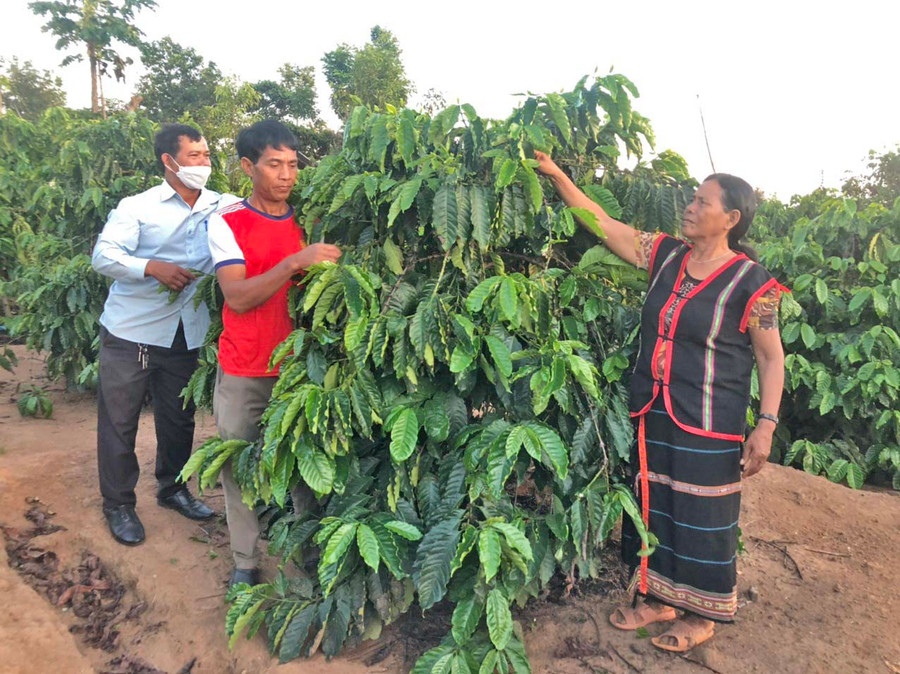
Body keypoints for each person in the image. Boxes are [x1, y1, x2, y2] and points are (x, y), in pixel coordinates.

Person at [535, 151, 785, 652]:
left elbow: (771, 358)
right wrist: (559, 176)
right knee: (654, 505)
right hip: (653, 407)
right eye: (692, 199)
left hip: (711, 419)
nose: (689, 208)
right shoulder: (666, 255)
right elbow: (601, 223)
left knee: (702, 517)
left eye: (701, 202)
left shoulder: (755, 285)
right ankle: (656, 597)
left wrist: (766, 425)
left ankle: (702, 612)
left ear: (730, 220)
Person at [207, 120, 341, 588]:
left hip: (301, 370)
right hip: (245, 366)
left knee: (306, 465)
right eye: (274, 164)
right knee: (238, 465)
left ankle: (306, 551)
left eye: (292, 165)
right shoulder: (227, 224)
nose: (286, 175)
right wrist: (294, 261)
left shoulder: (312, 221)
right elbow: (237, 297)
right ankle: (245, 561)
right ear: (248, 167)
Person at [92, 124, 239, 546]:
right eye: (194, 155)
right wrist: (150, 267)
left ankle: (173, 488)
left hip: (184, 333)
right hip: (131, 331)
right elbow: (104, 255)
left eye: (207, 154)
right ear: (169, 162)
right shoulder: (138, 207)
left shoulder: (222, 205)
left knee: (178, 420)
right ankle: (118, 503)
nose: (204, 163)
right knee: (120, 422)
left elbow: (257, 221)